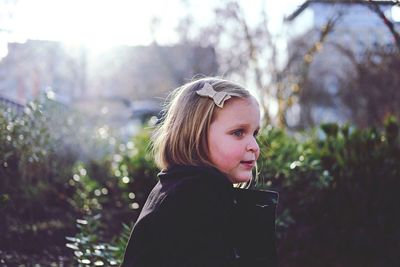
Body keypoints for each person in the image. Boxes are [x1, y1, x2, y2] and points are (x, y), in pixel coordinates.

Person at [121, 77, 278, 267]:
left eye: (255, 134)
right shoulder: (196, 197)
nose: (254, 146)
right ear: (196, 135)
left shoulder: (183, 187)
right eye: (238, 133)